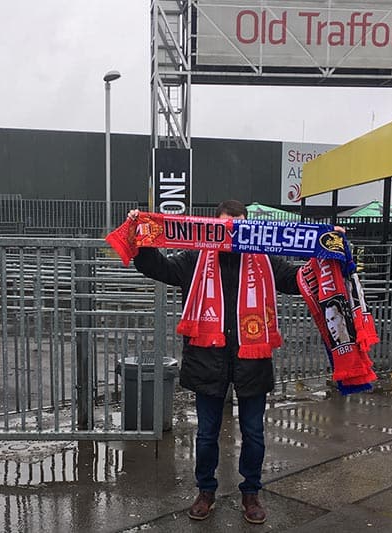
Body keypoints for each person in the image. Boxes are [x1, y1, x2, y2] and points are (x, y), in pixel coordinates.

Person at [126, 200, 304, 525]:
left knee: (253, 434)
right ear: (213, 225)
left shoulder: (263, 257)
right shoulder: (196, 257)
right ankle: (205, 491)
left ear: (248, 226)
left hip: (252, 359)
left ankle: (251, 493)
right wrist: (142, 239)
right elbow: (160, 268)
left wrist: (326, 250)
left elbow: (294, 279)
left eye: (238, 225)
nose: (232, 232)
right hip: (208, 357)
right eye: (225, 226)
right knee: (206, 434)